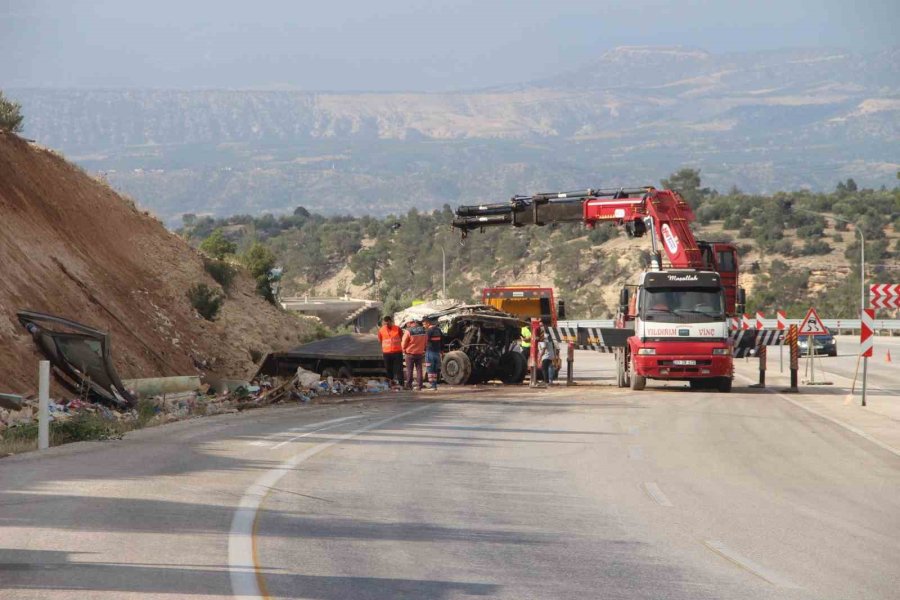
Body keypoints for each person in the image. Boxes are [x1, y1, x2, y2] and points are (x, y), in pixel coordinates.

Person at [401, 319, 427, 390]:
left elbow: (404, 343)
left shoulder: (408, 331)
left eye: (407, 324)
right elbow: (425, 341)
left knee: (409, 370)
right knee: (419, 370)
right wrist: (423, 349)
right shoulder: (423, 330)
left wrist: (404, 350)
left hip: (410, 353)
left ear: (410, 323)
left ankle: (409, 385)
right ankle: (420, 385)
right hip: (419, 353)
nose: (407, 325)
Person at [378, 316, 404, 387]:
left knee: (399, 369)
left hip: (397, 352)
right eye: (385, 323)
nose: (386, 325)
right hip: (387, 353)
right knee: (388, 369)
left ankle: (401, 384)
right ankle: (390, 384)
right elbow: (380, 340)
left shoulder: (397, 329)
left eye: (388, 323)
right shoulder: (381, 330)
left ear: (390, 321)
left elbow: (402, 337)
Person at [423, 315, 443, 390]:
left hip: (430, 352)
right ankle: (434, 385)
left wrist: (424, 349)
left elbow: (426, 341)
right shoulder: (438, 330)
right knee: (435, 369)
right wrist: (441, 350)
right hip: (437, 352)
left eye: (424, 324)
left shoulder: (429, 331)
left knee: (430, 369)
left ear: (428, 323)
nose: (423, 326)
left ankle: (433, 385)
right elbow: (442, 341)